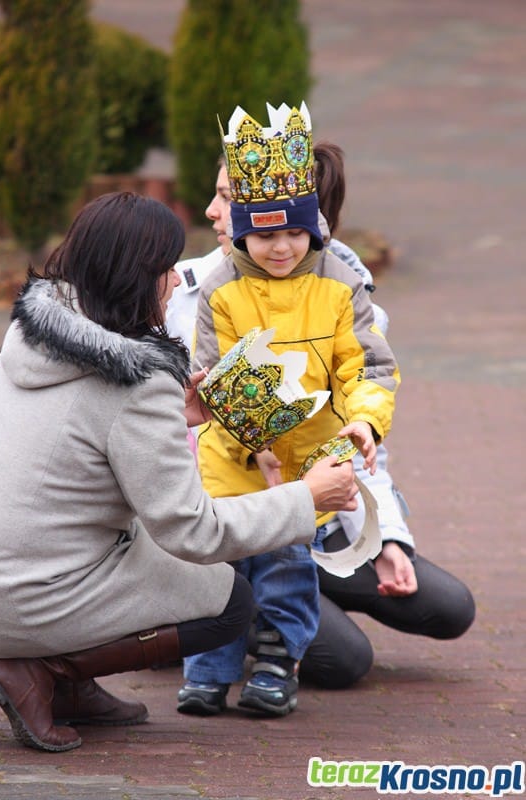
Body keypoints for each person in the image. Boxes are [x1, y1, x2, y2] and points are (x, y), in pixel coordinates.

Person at [0, 191, 360, 753]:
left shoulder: (27, 339)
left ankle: (62, 679)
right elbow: (193, 531)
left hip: (9, 576)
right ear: (142, 279)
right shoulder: (135, 382)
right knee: (229, 600)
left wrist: (177, 415)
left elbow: (75, 449)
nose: (173, 281)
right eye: (166, 268)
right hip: (28, 602)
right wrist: (306, 498)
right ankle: (43, 671)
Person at [167, 139, 475, 695]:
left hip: (318, 500)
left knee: (447, 608)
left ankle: (288, 610)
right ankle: (203, 652)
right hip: (227, 495)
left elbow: (365, 400)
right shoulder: (192, 291)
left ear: (313, 222)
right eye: (223, 201)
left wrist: (389, 541)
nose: (211, 211)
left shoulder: (344, 291)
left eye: (224, 197)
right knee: (340, 660)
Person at [175, 101, 400, 718]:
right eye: (267, 233)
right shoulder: (220, 287)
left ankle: (277, 665)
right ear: (244, 229)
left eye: (295, 232)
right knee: (221, 565)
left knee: (285, 566)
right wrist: (251, 439)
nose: (282, 247)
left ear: (316, 227)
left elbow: (368, 366)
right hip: (233, 455)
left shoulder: (338, 283)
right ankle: (207, 672)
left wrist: (365, 419)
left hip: (306, 462)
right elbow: (214, 376)